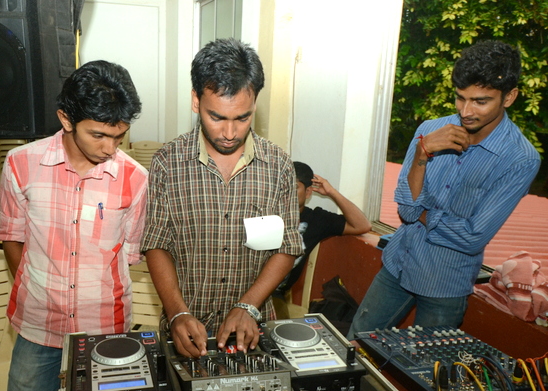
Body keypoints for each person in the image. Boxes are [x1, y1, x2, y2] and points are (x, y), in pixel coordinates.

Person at [347, 40, 540, 340]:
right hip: (399, 263)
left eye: (480, 101)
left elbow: (471, 237)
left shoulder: (520, 159)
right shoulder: (429, 130)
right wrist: (422, 153)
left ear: (509, 97)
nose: (466, 111)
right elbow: (405, 209)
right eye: (460, 98)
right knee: (357, 342)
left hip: (445, 283)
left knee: (427, 364)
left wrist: (421, 211)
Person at [0, 60, 148, 391]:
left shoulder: (135, 178)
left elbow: (129, 257)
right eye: (99, 135)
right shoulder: (20, 165)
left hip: (105, 330)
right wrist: (40, 289)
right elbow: (12, 239)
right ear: (66, 119)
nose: (110, 148)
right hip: (38, 326)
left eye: (119, 136)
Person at [141, 38, 303, 358]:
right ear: (195, 100)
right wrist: (177, 312)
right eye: (217, 117)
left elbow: (287, 247)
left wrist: (248, 306)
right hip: (186, 329)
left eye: (242, 118)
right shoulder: (167, 163)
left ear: (254, 102)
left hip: (253, 330)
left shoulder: (279, 166)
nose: (230, 133)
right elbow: (156, 244)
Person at [272, 161, 371, 318]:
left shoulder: (316, 220)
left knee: (276, 328)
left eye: (294, 187)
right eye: (283, 186)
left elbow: (362, 225)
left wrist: (332, 192)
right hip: (243, 285)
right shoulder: (264, 212)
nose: (287, 192)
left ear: (308, 192)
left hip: (274, 295)